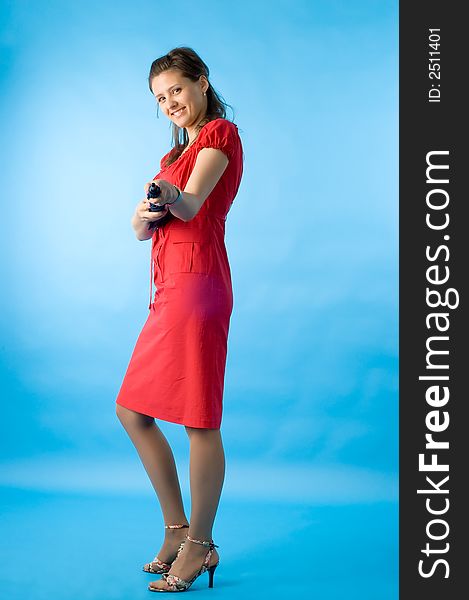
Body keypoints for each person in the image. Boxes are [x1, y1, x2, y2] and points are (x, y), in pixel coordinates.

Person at [115, 46, 244, 593]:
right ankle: (177, 529)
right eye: (160, 97)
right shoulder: (173, 155)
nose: (171, 103)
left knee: (198, 421)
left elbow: (190, 208)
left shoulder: (219, 136)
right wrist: (144, 213)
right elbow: (144, 229)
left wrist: (167, 198)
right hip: (169, 290)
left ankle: (200, 544)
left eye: (177, 90)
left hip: (199, 288)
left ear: (202, 81)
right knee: (133, 411)